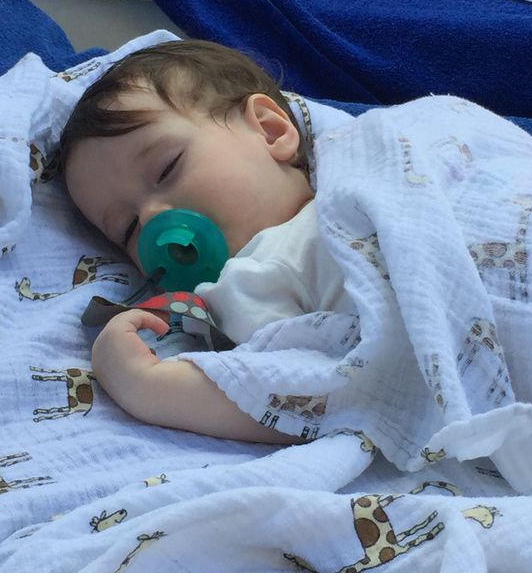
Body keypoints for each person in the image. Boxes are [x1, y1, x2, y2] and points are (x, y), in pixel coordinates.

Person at [60, 39, 351, 444]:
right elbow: (297, 400)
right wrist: (147, 386)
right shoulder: (249, 279)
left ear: (270, 130)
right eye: (128, 228)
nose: (152, 219)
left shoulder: (361, 164)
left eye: (167, 168)